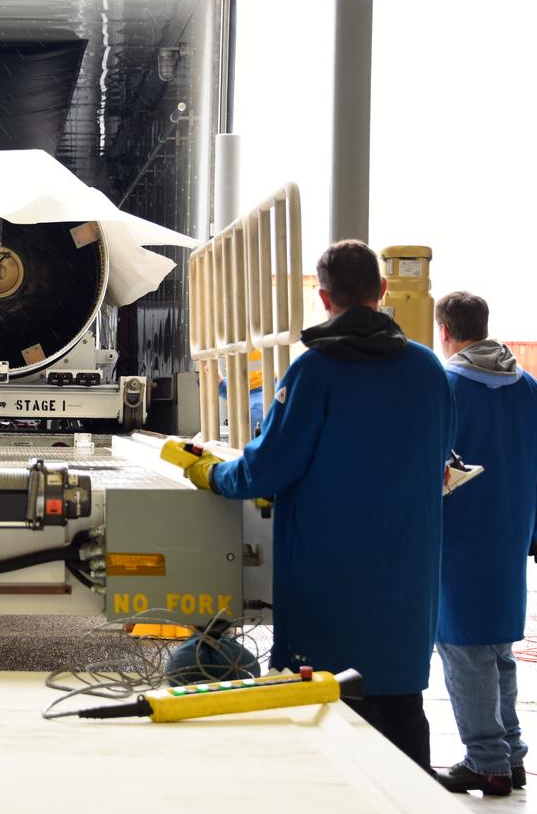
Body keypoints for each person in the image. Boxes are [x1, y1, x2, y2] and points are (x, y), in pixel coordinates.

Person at [180, 240, 455, 771]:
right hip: (406, 591)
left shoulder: (315, 372)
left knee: (324, 739)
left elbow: (266, 469)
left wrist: (212, 473)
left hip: (327, 591)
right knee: (401, 726)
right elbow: (440, 455)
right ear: (381, 291)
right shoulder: (427, 371)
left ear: (324, 297)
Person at [432, 292, 537, 796]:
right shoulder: (535, 394)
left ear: (444, 331)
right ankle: (511, 753)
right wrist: (530, 532)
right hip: (508, 540)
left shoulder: (443, 387)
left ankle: (487, 762)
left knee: (463, 647)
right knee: (497, 649)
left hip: (455, 540)